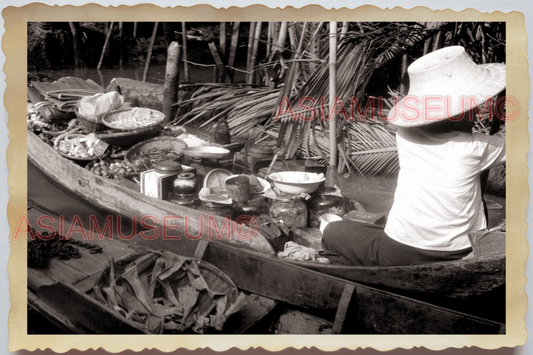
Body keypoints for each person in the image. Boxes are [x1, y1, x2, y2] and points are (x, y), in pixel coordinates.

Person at [321, 46, 506, 266]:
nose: (476, 113)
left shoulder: (406, 135)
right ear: (460, 112)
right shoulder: (476, 147)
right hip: (461, 250)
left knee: (333, 230)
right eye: (472, 108)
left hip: (400, 252)